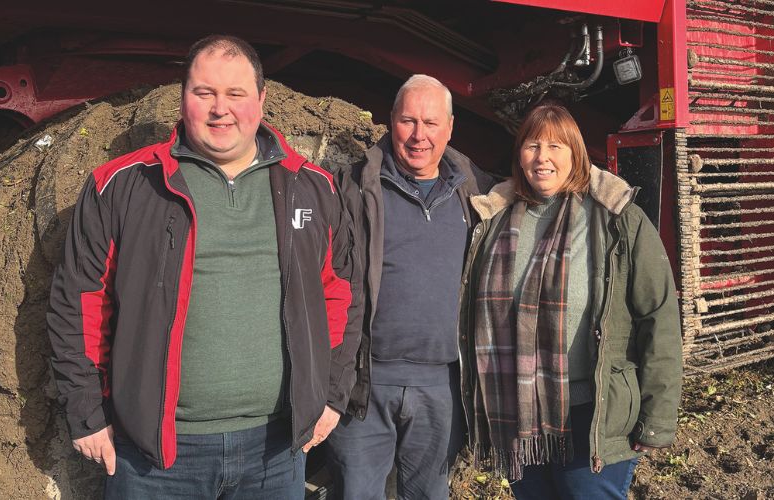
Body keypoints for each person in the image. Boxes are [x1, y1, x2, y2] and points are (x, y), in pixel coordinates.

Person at [46, 34, 362, 499]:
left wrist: (333, 396)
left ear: (261, 100)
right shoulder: (123, 185)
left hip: (275, 451)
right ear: (183, 98)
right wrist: (87, 413)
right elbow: (79, 303)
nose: (221, 109)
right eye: (204, 93)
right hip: (156, 456)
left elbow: (342, 295)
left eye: (236, 94)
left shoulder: (312, 188)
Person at [461, 104, 682, 499]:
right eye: (532, 146)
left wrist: (658, 418)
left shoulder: (617, 220)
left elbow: (659, 316)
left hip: (594, 413)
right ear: (519, 156)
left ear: (576, 154)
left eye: (555, 146)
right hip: (519, 415)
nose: (542, 157)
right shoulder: (494, 222)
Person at [327, 74, 496, 499]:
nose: (419, 135)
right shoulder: (353, 187)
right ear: (391, 122)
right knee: (356, 493)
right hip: (366, 382)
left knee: (429, 494)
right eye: (408, 121)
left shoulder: (475, 194)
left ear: (450, 128)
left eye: (431, 123)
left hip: (441, 385)